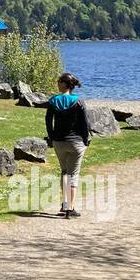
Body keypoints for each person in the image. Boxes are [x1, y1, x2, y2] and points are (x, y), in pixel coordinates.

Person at [45, 72, 90, 218]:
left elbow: (48, 121)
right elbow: (85, 123)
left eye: (59, 81)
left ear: (64, 84)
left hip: (59, 142)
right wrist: (86, 139)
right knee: (73, 174)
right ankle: (70, 208)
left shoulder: (53, 100)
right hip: (76, 142)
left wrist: (51, 137)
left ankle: (64, 205)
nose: (57, 83)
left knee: (64, 172)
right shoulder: (79, 101)